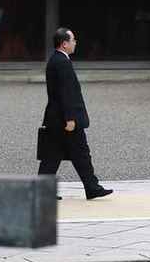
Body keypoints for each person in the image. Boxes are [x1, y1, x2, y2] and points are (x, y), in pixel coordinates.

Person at [37, 28, 113, 200]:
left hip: (57, 119)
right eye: (73, 40)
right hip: (64, 120)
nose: (75, 42)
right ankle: (91, 187)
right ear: (64, 44)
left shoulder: (57, 60)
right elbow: (66, 93)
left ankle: (89, 187)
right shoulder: (61, 62)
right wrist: (71, 118)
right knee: (77, 153)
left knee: (57, 155)